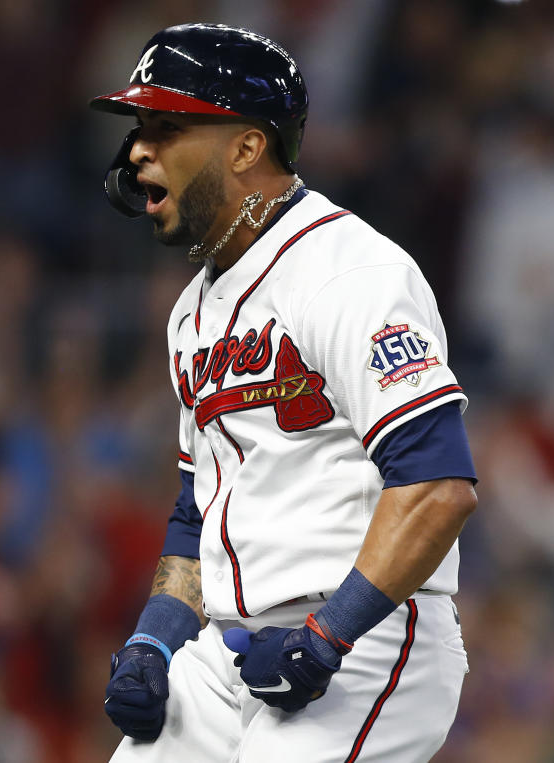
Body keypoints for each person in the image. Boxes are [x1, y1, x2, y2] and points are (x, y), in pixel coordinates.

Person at [89, 23, 478, 763]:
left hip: (365, 639)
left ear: (245, 146)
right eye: (140, 129)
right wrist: (152, 639)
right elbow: (194, 510)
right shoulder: (191, 314)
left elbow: (437, 485)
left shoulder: (350, 273)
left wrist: (328, 634)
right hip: (228, 650)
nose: (138, 151)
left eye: (167, 127)